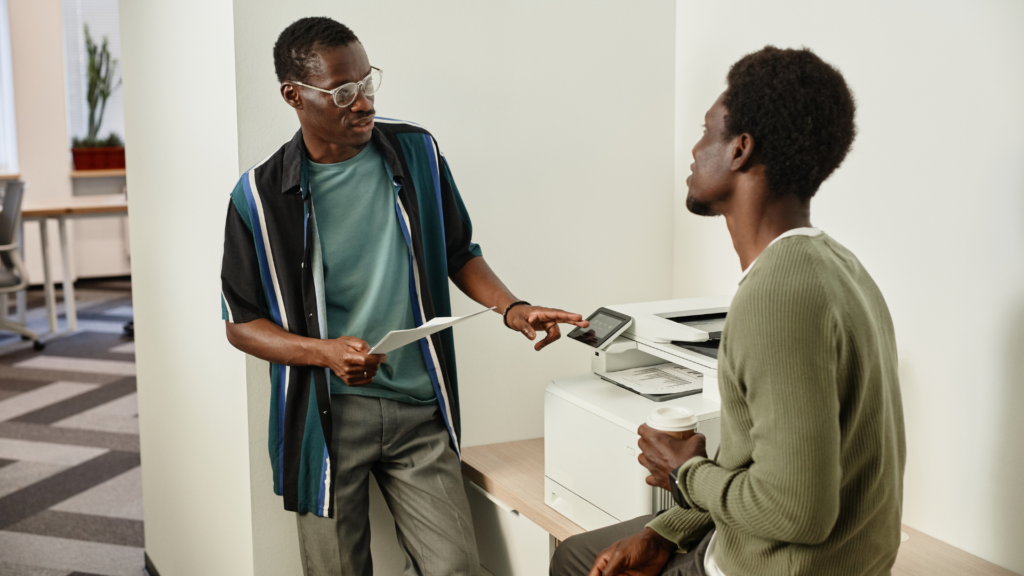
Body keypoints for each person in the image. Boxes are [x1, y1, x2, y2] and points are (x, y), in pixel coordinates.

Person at [220, 17, 588, 576]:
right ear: (294, 96)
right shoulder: (259, 197)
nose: (363, 103)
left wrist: (512, 308)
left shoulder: (414, 151)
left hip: (419, 409)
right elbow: (240, 323)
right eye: (344, 92)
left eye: (369, 83)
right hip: (326, 421)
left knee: (456, 568)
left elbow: (458, 251)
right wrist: (325, 353)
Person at [550, 46, 906, 576]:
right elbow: (767, 466)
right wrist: (667, 528)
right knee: (577, 551)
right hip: (840, 557)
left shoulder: (776, 296)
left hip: (777, 566)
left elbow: (796, 512)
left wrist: (684, 472)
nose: (694, 150)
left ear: (740, 150)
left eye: (706, 132)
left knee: (575, 564)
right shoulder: (838, 266)